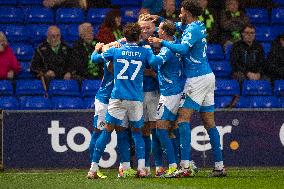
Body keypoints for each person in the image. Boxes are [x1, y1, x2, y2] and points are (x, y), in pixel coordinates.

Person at [149, 0, 227, 177]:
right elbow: (176, 26)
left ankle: (184, 167)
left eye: (181, 12)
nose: (179, 14)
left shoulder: (191, 30)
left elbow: (183, 49)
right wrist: (160, 18)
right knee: (209, 123)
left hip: (197, 79)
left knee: (182, 120)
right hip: (207, 76)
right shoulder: (197, 26)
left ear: (188, 13)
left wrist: (162, 42)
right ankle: (219, 166)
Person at [87, 23, 154, 179]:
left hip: (116, 97)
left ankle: (93, 169)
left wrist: (99, 48)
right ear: (138, 37)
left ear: (124, 36)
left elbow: (94, 58)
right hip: (135, 98)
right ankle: (142, 169)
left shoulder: (116, 51)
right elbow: (156, 62)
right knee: (137, 133)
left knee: (107, 132)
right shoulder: (144, 52)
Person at [149, 20, 184, 177]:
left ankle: (173, 166)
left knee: (161, 129)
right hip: (176, 89)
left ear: (163, 33)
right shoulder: (175, 42)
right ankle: (181, 163)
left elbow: (155, 61)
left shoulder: (167, 50)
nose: (157, 31)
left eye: (159, 29)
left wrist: (145, 51)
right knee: (171, 129)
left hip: (170, 93)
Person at [138, 14, 161, 175]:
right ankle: (145, 166)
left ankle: (159, 166)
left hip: (155, 92)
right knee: (144, 130)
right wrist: (146, 71)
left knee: (156, 130)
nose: (145, 31)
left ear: (155, 28)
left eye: (148, 27)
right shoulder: (133, 44)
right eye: (142, 28)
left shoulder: (160, 44)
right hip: (138, 93)